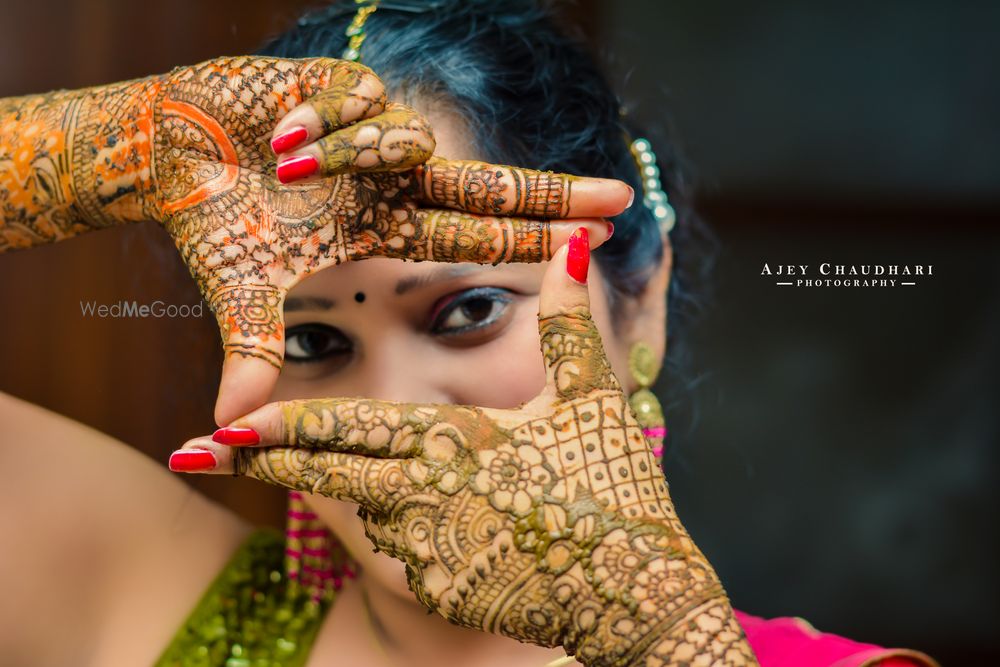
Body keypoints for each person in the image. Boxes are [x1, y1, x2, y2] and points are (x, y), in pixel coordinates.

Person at [0, 1, 939, 666]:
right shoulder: (120, 579)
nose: (394, 406)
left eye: (469, 312)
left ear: (639, 304)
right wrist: (117, 144)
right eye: (313, 344)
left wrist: (666, 639)